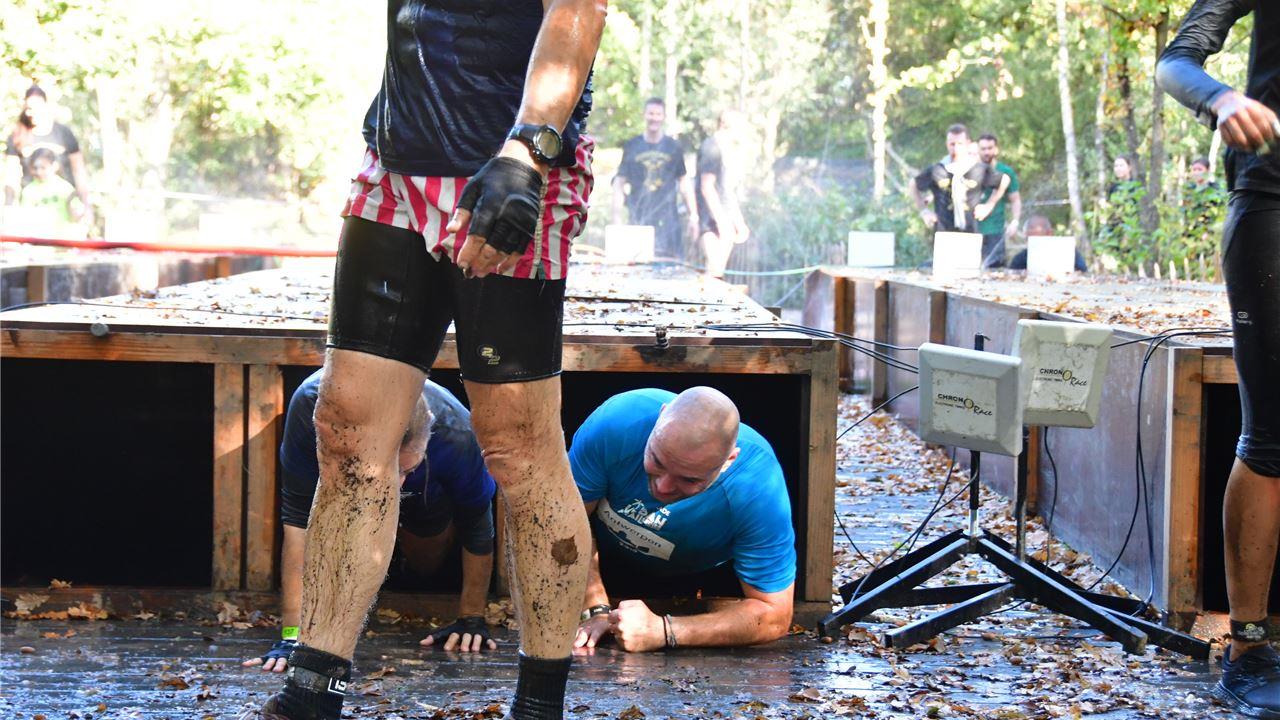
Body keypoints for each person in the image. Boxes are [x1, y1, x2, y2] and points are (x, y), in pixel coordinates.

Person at [246, 1, 605, 719]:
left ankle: (539, 706)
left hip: (510, 167)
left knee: (519, 447)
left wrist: (528, 150)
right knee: (347, 431)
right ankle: (313, 693)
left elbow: (579, 9)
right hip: (398, 164)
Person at [1158, 2, 1280, 717]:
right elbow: (1177, 60)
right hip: (1273, 205)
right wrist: (1222, 99)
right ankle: (1249, 645)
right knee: (1272, 437)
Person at [242, 372, 497, 674]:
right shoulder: (313, 409)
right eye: (391, 470)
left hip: (429, 490)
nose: (396, 484)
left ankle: (408, 571)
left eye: (406, 468)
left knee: (425, 563)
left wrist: (472, 618)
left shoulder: (457, 434)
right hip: (346, 477)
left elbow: (477, 524)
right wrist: (292, 637)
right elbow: (299, 523)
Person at [568, 387, 795, 653]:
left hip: (703, 576)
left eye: (689, 479)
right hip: (606, 559)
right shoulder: (617, 423)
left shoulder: (757, 486)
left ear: (728, 461)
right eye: (657, 461)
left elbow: (775, 615)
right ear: (660, 418)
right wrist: (594, 607)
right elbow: (565, 522)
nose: (663, 488)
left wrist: (665, 631)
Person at [612, 98, 698, 261]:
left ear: (664, 117)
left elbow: (684, 183)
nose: (654, 118)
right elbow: (619, 182)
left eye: (658, 114)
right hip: (638, 219)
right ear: (644, 115)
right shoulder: (632, 146)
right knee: (638, 265)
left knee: (672, 266)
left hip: (668, 220)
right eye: (651, 113)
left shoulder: (674, 147)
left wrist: (694, 215)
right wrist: (617, 219)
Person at [3, 84, 92, 224]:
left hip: (65, 208)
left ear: (45, 105)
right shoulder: (17, 136)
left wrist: (86, 205)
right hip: (33, 206)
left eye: (35, 108)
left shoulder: (63, 133)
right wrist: (8, 209)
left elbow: (79, 171)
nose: (31, 113)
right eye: (28, 109)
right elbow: (11, 176)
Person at [911, 124, 1010, 236]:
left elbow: (1004, 180)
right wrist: (924, 211)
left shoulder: (978, 169)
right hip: (943, 232)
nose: (956, 148)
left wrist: (989, 205)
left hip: (970, 232)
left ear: (968, 143)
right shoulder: (938, 169)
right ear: (947, 144)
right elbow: (913, 184)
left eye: (960, 144)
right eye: (952, 144)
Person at [696, 111, 751, 279]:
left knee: (718, 273)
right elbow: (707, 187)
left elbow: (727, 190)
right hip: (711, 222)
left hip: (724, 219)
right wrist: (722, 222)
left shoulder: (726, 150)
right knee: (713, 270)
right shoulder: (711, 148)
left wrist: (739, 222)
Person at [976, 133, 1022, 268]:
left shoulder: (1005, 171)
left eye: (990, 148)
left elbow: (1015, 199)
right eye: (983, 149)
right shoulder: (970, 170)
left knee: (994, 271)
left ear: (996, 149)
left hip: (995, 230)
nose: (986, 152)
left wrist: (1015, 222)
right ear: (978, 150)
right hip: (972, 230)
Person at [18, 148, 78, 227]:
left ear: (55, 166)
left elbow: (75, 215)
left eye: (43, 168)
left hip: (62, 232)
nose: (39, 172)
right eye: (35, 168)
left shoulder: (66, 188)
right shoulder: (28, 191)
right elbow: (25, 217)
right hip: (37, 232)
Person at [1006, 214, 1087, 273]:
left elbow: (1083, 272)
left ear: (1049, 233)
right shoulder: (1020, 259)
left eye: (1033, 229)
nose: (1028, 236)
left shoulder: (1067, 252)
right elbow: (1013, 276)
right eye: (1027, 234)